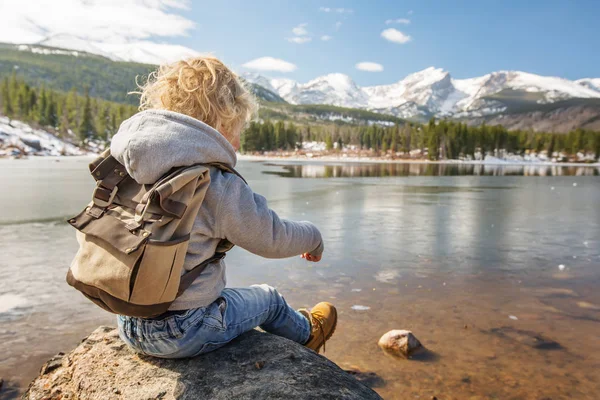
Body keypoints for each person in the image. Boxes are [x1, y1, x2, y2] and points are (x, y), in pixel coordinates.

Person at [113, 56, 337, 358]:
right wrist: (314, 236)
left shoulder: (130, 164)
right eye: (238, 129)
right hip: (183, 331)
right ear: (221, 122)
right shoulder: (214, 182)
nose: (239, 145)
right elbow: (271, 237)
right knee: (269, 299)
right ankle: (308, 333)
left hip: (127, 319)